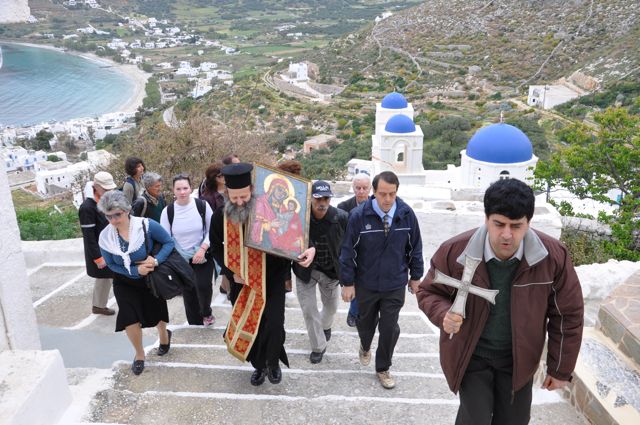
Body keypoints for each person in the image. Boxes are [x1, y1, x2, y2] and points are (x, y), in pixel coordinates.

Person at [417, 178, 584, 425]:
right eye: (499, 224)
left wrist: (560, 369)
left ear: (529, 223)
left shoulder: (552, 257)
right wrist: (443, 314)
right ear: (486, 219)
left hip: (519, 359)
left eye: (516, 226)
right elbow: (428, 291)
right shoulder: (455, 252)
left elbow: (567, 314)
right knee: (476, 419)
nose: (506, 235)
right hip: (471, 354)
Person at [210, 163, 316, 386]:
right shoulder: (221, 215)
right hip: (243, 280)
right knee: (253, 324)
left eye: (244, 196)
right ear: (227, 193)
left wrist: (309, 247)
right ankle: (259, 366)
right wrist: (231, 272)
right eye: (234, 197)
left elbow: (297, 232)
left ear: (252, 189)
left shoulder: (270, 207)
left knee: (275, 323)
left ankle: (274, 362)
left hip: (273, 276)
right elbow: (216, 246)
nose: (239, 202)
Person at [339, 171, 423, 390]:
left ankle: (383, 367)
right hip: (366, 284)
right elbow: (347, 251)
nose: (387, 199)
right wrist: (347, 282)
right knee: (365, 324)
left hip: (394, 284)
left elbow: (415, 247)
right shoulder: (358, 216)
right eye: (383, 194)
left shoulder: (406, 214)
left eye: (392, 194)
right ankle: (365, 345)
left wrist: (416, 276)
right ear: (373, 192)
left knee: (390, 327)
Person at [97, 190, 175, 376]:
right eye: (109, 216)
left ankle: (164, 335)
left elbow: (168, 243)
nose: (114, 220)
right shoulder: (106, 237)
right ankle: (139, 354)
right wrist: (133, 271)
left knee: (157, 314)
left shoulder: (146, 226)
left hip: (149, 279)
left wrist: (156, 261)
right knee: (129, 318)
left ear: (127, 210)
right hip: (124, 282)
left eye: (118, 214)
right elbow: (111, 264)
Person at [294, 180, 348, 364]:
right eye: (318, 198)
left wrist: (350, 277)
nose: (322, 202)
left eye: (326, 198)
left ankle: (325, 326)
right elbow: (287, 241)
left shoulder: (341, 217)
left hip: (331, 272)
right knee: (309, 310)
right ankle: (318, 346)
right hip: (305, 272)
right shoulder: (299, 217)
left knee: (331, 307)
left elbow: (350, 246)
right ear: (310, 199)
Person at [160, 174, 215, 327]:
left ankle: (206, 312)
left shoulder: (202, 206)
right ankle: (194, 324)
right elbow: (165, 237)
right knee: (189, 291)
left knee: (203, 286)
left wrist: (203, 248)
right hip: (180, 258)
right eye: (178, 189)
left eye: (185, 188)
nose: (182, 192)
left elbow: (212, 230)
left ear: (191, 188)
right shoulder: (168, 211)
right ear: (173, 190)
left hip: (202, 253)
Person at [79, 171, 117, 316]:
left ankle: (98, 305)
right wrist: (98, 258)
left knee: (105, 279)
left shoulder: (106, 200)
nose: (108, 192)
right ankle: (102, 306)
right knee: (110, 278)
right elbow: (89, 237)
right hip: (100, 251)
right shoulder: (87, 208)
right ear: (96, 186)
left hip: (111, 246)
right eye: (105, 189)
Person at [337, 172, 372, 328]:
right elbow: (340, 235)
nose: (361, 191)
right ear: (353, 188)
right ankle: (354, 313)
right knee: (354, 285)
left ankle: (358, 313)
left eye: (365, 188)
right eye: (358, 187)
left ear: (370, 188)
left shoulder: (377, 206)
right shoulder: (343, 207)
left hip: (370, 254)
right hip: (351, 253)